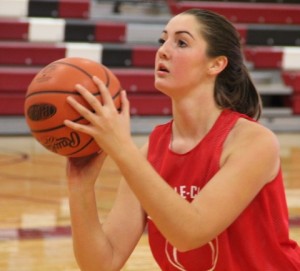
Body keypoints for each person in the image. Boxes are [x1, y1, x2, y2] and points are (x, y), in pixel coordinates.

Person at [63, 8, 300, 271]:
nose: (163, 50)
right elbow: (102, 264)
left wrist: (121, 148)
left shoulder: (253, 142)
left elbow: (190, 233)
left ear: (216, 64)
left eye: (182, 42)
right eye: (162, 40)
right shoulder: (150, 153)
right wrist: (80, 187)